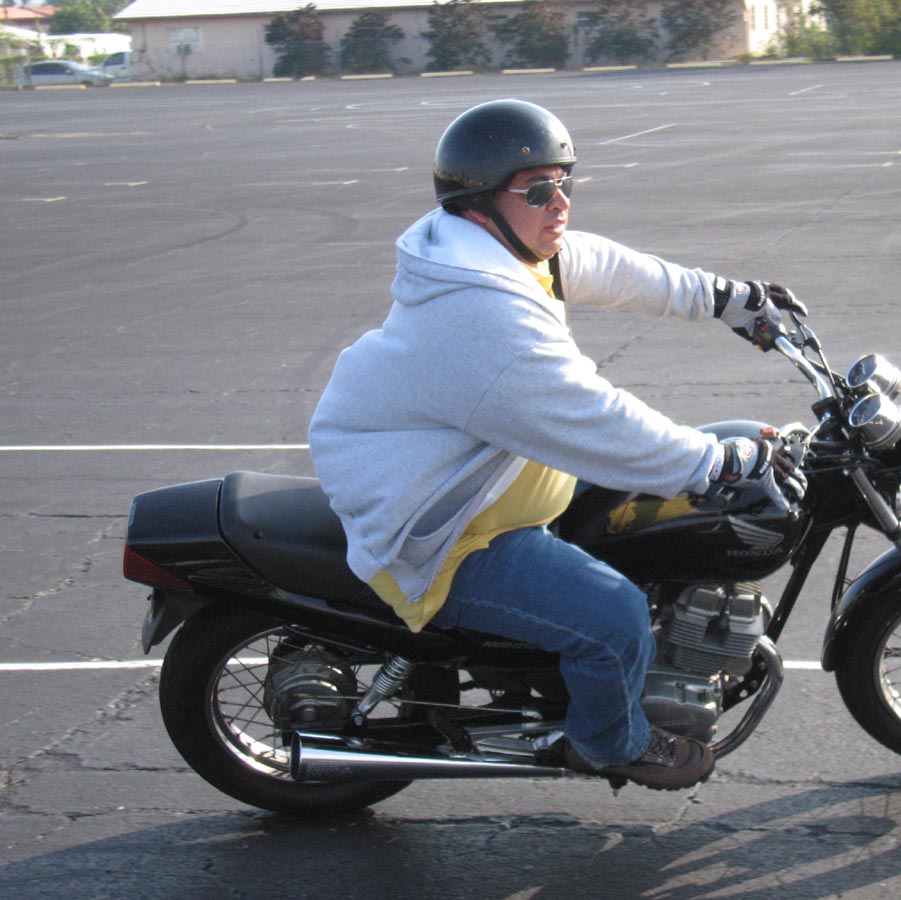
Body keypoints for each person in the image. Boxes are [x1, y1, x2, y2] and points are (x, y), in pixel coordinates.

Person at [309, 99, 803, 791]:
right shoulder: (481, 312)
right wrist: (713, 461)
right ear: (481, 201)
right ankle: (610, 742)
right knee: (615, 619)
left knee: (644, 528)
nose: (561, 201)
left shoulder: (500, 251)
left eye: (564, 181)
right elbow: (593, 418)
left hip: (486, 479)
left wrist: (725, 298)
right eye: (538, 189)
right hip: (448, 531)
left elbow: (609, 267)